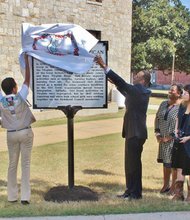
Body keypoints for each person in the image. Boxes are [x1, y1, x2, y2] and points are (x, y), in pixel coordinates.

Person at [95, 55, 151, 200]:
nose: (135, 77)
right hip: (133, 133)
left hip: (136, 133)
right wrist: (115, 83)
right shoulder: (138, 92)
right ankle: (130, 190)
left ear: (143, 81)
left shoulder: (140, 91)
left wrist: (104, 66)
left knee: (134, 165)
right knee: (129, 164)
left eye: (137, 76)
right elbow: (126, 90)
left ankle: (135, 193)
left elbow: (124, 84)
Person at [0, 54, 36, 205]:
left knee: (12, 164)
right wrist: (27, 62)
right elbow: (27, 80)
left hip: (11, 134)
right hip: (25, 132)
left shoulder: (1, 101)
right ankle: (25, 197)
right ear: (15, 88)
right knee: (25, 164)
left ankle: (12, 196)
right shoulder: (20, 96)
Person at [154, 84, 183, 195]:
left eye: (173, 90)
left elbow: (181, 125)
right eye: (170, 90)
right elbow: (157, 118)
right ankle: (165, 185)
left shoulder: (181, 107)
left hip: (174, 141)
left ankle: (173, 188)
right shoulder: (163, 104)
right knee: (165, 164)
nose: (170, 91)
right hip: (162, 140)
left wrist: (169, 137)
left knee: (173, 165)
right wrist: (157, 134)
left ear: (179, 93)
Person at [171, 84, 190, 201]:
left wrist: (188, 137)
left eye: (186, 92)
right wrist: (176, 130)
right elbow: (178, 119)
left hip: (189, 141)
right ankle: (179, 194)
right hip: (180, 141)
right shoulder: (182, 106)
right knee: (179, 167)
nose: (184, 94)